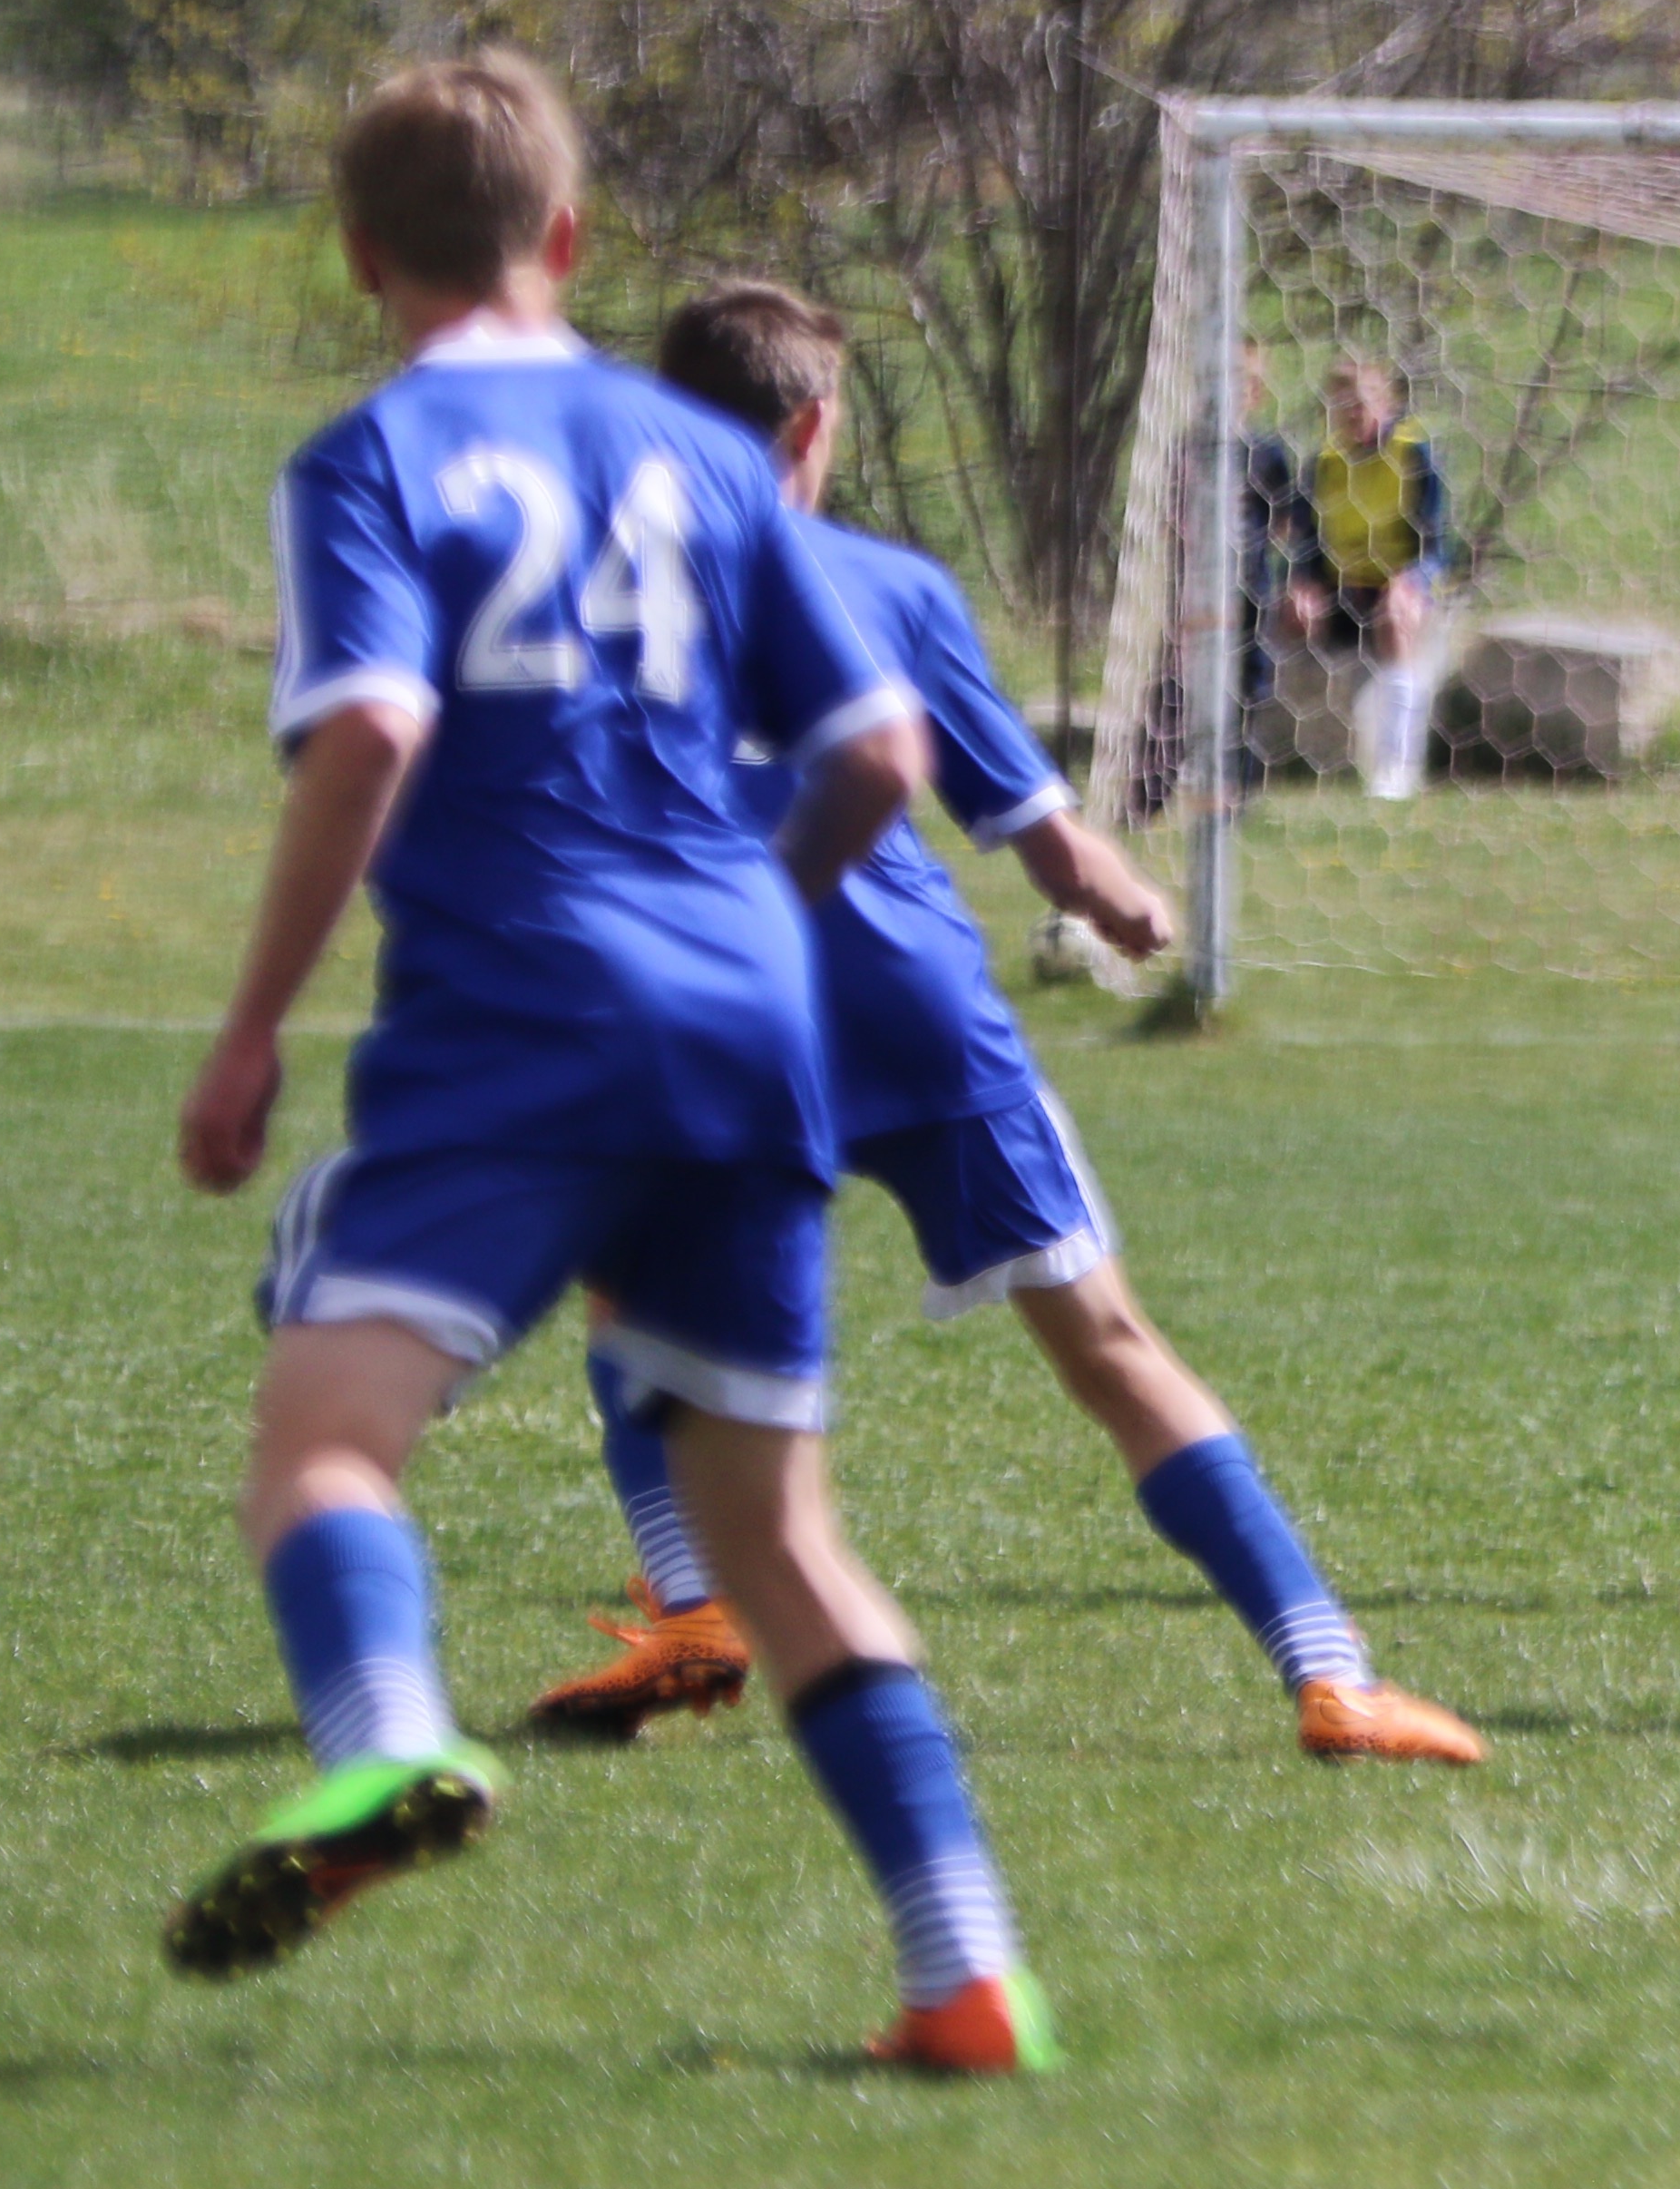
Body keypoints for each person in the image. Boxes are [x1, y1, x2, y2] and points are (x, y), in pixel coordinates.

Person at [170, 52, 1056, 2076]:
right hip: (756, 1019)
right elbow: (880, 759)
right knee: (782, 1538)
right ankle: (964, 1970)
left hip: (518, 1015)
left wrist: (245, 1033)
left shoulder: (373, 461)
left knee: (325, 1437)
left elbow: (375, 734)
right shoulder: (713, 462)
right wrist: (750, 917)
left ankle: (389, 1744)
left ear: (361, 254)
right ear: (568, 243)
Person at [530, 281, 1483, 1770]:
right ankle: (1329, 1671)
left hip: (714, 1008)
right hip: (909, 1006)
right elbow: (1055, 847)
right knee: (1105, 1341)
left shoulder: (589, 607)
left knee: (622, 1292)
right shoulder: (888, 589)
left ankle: (701, 1601)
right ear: (815, 426)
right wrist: (1128, 908)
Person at [1266, 353, 1458, 800]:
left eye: (1363, 401)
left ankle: (1397, 766)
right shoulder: (1325, 464)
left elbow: (1438, 547)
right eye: (1342, 404)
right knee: (1288, 614)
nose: (1354, 413)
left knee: (1396, 616)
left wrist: (1413, 579)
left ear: (1387, 402)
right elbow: (1306, 542)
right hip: (1340, 589)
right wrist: (1301, 582)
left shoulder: (1415, 456)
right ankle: (1272, 751)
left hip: (1394, 589)